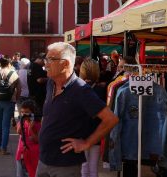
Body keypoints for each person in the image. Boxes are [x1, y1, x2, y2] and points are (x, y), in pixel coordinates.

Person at [36, 42, 118, 177]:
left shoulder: (81, 90)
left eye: (51, 59)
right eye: (46, 59)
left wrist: (87, 143)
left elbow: (111, 119)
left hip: (65, 165)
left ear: (66, 63)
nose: (46, 64)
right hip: (44, 159)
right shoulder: (51, 82)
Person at [79, 58, 107, 177]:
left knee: (84, 166)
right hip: (97, 132)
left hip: (81, 132)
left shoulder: (78, 88)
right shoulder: (101, 89)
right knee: (93, 167)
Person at [16, 100, 41, 177]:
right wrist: (22, 122)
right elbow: (19, 132)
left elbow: (37, 140)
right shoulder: (22, 121)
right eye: (22, 112)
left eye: (27, 112)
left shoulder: (37, 124)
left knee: (32, 173)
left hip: (33, 155)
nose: (24, 114)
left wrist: (31, 128)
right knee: (20, 174)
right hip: (21, 153)